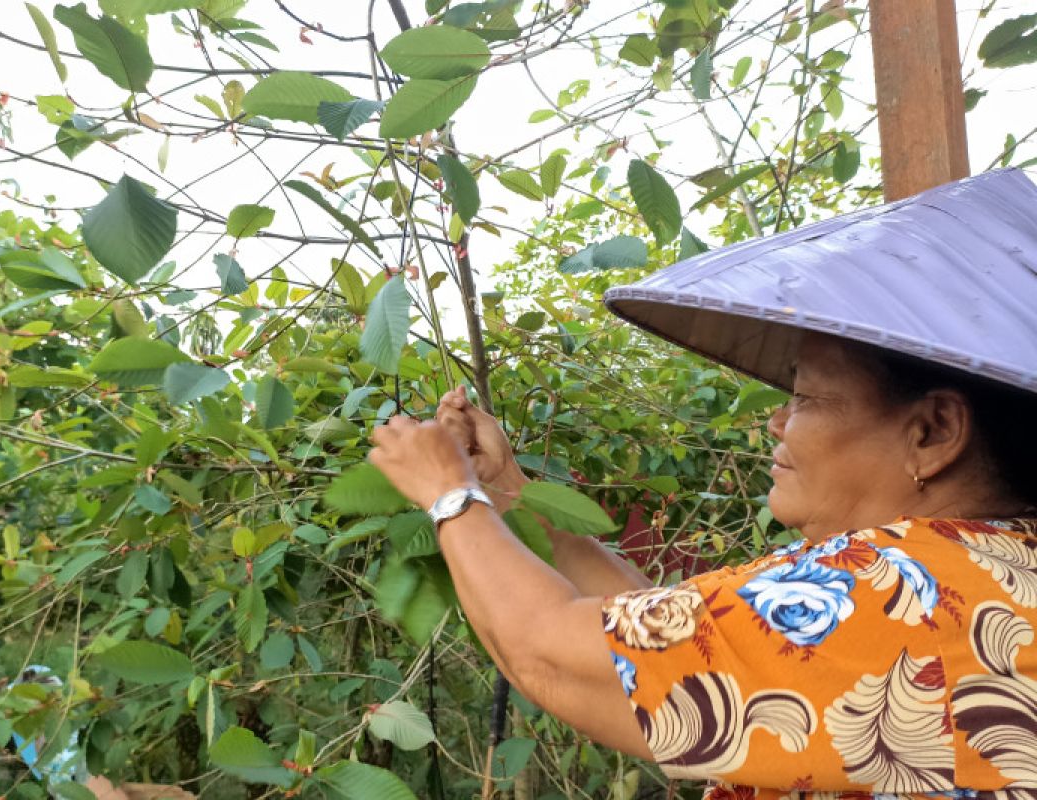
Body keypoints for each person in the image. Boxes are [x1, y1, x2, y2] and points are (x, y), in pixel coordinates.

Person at [367, 169, 1037, 799]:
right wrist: (507, 493)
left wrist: (450, 495)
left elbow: (554, 654)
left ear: (934, 430)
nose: (776, 421)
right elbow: (670, 638)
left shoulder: (905, 596)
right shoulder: (987, 573)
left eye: (806, 399)